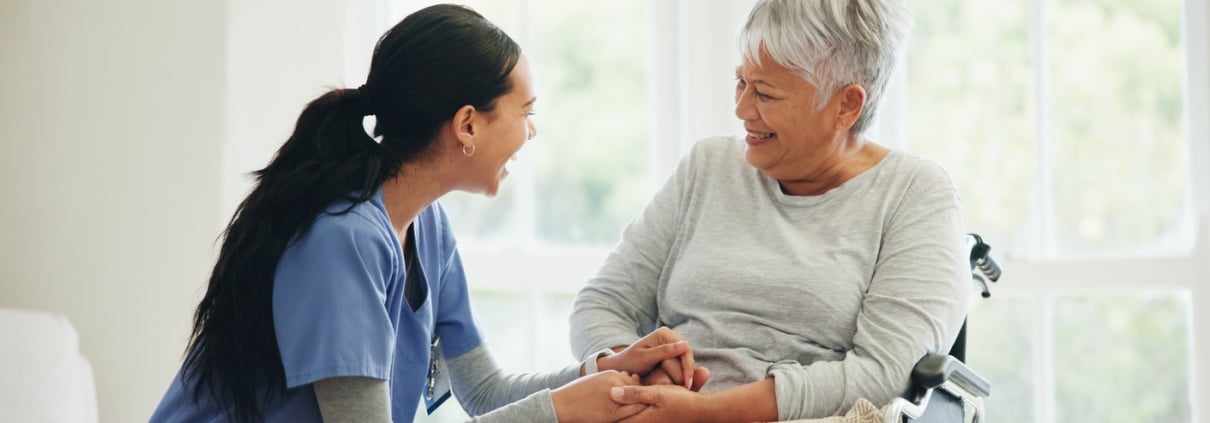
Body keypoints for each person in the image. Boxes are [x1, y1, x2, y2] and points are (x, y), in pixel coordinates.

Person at [149, 5, 695, 423]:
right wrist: (565, 410)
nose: (532, 131)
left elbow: (483, 391)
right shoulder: (342, 239)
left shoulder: (427, 227)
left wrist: (604, 371)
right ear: (467, 125)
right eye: (525, 113)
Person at [570, 0, 971, 421]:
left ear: (846, 106)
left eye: (764, 93)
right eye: (740, 82)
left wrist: (705, 413)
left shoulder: (916, 194)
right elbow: (602, 302)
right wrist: (630, 364)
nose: (742, 109)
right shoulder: (708, 167)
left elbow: (882, 373)